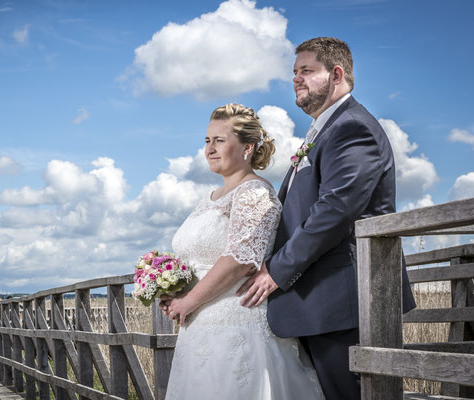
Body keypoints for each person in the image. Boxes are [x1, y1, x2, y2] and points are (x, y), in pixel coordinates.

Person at [237, 37, 416, 400]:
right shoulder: (326, 129)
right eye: (294, 72)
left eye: (306, 71)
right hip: (320, 300)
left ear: (336, 74)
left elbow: (334, 211)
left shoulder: (353, 127)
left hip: (343, 299)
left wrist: (275, 270)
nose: (296, 79)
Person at [159, 104, 324, 399]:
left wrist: (189, 301)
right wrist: (173, 289)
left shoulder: (254, 193)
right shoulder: (209, 199)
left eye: (219, 140)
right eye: (207, 141)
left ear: (248, 147)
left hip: (235, 325)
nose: (210, 148)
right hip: (198, 328)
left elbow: (239, 260)